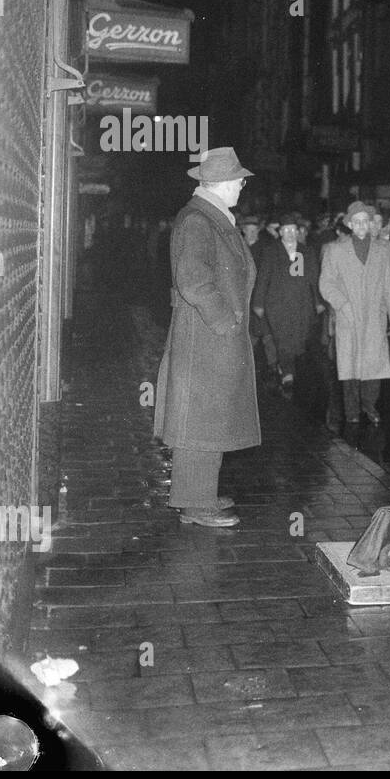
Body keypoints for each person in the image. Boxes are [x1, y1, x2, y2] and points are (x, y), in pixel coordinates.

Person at [153, 147, 260, 528]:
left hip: (210, 335)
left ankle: (199, 493)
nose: (242, 185)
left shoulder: (210, 217)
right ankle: (195, 505)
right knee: (199, 420)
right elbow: (194, 279)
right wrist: (224, 321)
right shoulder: (200, 220)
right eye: (238, 180)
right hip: (206, 336)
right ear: (220, 184)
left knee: (208, 419)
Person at [318, 201, 390, 425]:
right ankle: (352, 411)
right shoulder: (334, 251)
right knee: (350, 366)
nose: (361, 225)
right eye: (357, 222)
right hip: (349, 317)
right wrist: (343, 305)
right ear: (350, 225)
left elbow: (387, 286)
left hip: (375, 317)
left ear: (371, 224)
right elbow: (325, 284)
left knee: (374, 366)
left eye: (365, 221)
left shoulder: (383, 251)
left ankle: (370, 406)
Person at [253, 211, 323, 394]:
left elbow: (313, 279)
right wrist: (258, 303)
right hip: (278, 305)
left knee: (298, 338)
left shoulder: (305, 252)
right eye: (287, 230)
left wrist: (318, 301)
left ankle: (287, 366)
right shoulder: (271, 252)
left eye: (294, 230)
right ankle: (288, 373)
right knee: (283, 338)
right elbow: (263, 278)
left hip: (301, 304)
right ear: (280, 232)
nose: (291, 233)